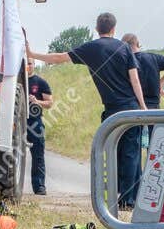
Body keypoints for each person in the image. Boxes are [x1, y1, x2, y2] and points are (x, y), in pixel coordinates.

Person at [30, 12, 145, 207]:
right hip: (130, 105)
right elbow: (134, 79)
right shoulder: (124, 47)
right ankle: (129, 199)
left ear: (97, 29)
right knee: (131, 153)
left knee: (112, 151)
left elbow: (59, 57)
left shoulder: (91, 48)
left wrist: (32, 55)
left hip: (111, 110)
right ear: (114, 29)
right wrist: (142, 106)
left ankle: (120, 195)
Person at [26, 67, 53, 195]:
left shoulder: (40, 82)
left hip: (35, 122)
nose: (28, 66)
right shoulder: (17, 80)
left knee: (38, 154)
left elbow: (50, 103)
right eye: (26, 63)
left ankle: (39, 187)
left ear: (33, 64)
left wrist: (37, 101)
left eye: (30, 64)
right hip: (17, 121)